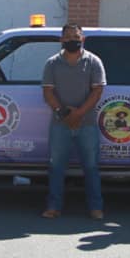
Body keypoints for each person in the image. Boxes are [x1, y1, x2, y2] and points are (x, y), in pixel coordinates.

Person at [41, 23, 106, 219]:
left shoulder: (93, 61)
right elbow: (48, 91)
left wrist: (78, 114)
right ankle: (54, 207)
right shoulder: (52, 63)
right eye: (67, 37)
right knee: (56, 167)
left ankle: (96, 208)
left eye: (76, 36)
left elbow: (97, 91)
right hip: (60, 123)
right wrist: (64, 114)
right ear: (61, 40)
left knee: (91, 167)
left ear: (83, 38)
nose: (72, 40)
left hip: (87, 124)